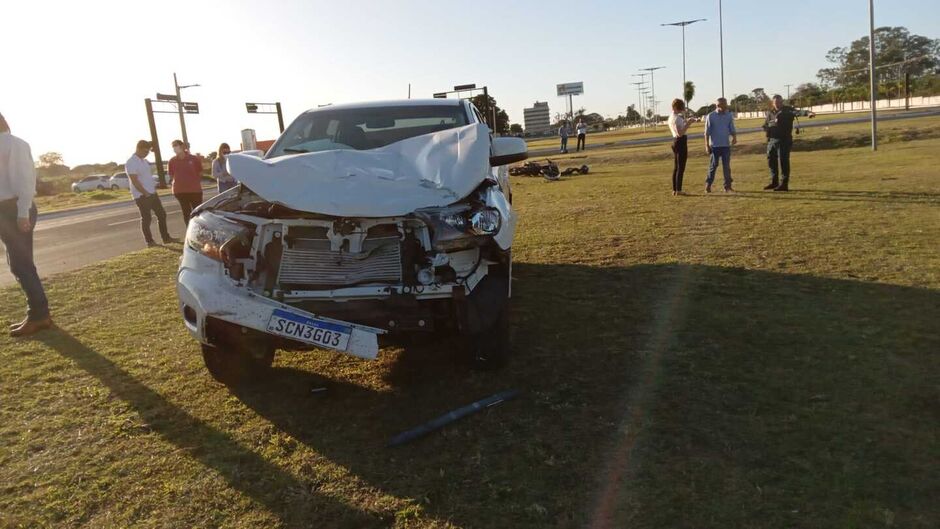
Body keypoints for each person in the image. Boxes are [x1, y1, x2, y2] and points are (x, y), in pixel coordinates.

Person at [0, 112, 52, 337]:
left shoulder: (15, 144)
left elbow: (25, 180)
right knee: (17, 263)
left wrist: (22, 213)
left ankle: (39, 316)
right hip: (6, 210)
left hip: (14, 209)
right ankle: (39, 314)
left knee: (22, 264)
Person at [126, 140, 176, 247]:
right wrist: (145, 193)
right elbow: (134, 180)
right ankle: (150, 242)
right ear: (138, 148)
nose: (146, 153)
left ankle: (166, 238)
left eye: (148, 152)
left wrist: (155, 186)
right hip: (142, 195)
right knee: (147, 218)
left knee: (162, 214)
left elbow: (147, 177)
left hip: (152, 193)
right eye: (145, 151)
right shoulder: (131, 162)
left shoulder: (144, 161)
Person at [763, 94, 798, 192]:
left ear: (782, 102)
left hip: (784, 140)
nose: (777, 104)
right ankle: (774, 182)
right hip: (772, 140)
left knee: (784, 161)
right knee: (771, 161)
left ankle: (784, 184)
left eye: (779, 102)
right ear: (773, 103)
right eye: (775, 102)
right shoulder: (770, 112)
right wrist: (769, 126)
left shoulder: (788, 110)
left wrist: (808, 113)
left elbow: (799, 112)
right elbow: (765, 125)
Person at [704, 97, 737, 193]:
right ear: (717, 105)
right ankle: (708, 185)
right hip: (714, 146)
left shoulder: (729, 115)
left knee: (726, 166)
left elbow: (731, 128)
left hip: (725, 145)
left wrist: (734, 137)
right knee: (713, 166)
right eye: (720, 105)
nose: (723, 106)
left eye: (724, 104)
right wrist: (706, 145)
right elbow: (706, 133)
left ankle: (727, 186)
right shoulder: (711, 116)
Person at [168, 139, 204, 224]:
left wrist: (194, 181)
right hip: (180, 191)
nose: (175, 148)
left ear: (182, 146)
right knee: (186, 212)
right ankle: (189, 232)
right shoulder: (172, 161)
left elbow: (200, 172)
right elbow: (171, 175)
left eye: (176, 145)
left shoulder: (193, 159)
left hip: (195, 190)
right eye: (173, 146)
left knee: (198, 212)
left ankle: (200, 231)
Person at [667, 98, 692, 196]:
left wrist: (686, 122)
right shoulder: (677, 118)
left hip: (676, 142)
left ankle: (675, 189)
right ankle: (679, 190)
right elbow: (680, 133)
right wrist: (689, 124)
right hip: (680, 141)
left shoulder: (672, 117)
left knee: (676, 167)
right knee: (681, 167)